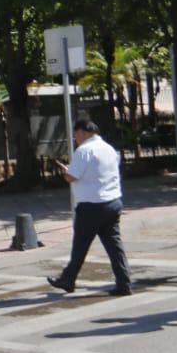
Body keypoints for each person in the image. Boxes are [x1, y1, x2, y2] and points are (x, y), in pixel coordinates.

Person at [47, 119, 133, 296]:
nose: (75, 139)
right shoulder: (109, 149)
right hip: (113, 201)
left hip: (91, 206)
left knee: (80, 245)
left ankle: (68, 279)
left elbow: (71, 177)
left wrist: (67, 171)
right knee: (114, 245)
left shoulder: (84, 150)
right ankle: (124, 282)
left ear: (83, 132)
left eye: (76, 135)